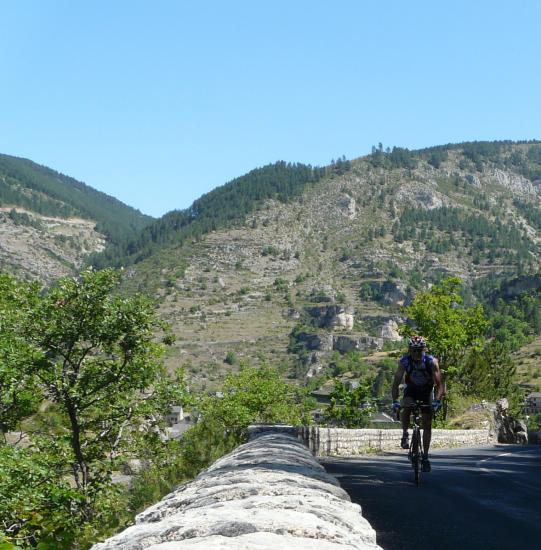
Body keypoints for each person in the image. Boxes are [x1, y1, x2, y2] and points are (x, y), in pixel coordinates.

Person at [391, 335, 445, 472]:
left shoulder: (432, 362)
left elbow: (440, 385)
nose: (416, 353)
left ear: (424, 349)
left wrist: (437, 401)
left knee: (427, 424)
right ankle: (405, 434)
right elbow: (396, 382)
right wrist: (395, 401)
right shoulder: (404, 361)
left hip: (427, 391)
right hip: (412, 390)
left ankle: (425, 456)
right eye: (413, 350)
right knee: (406, 407)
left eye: (419, 350)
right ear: (409, 350)